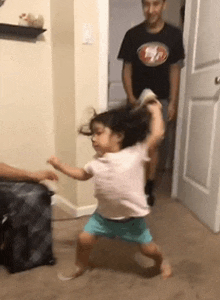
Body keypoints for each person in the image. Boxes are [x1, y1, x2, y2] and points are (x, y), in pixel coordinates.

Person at [47, 93, 173, 280]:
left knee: (149, 249)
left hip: (131, 221)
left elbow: (157, 135)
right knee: (83, 239)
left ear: (119, 136)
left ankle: (161, 261)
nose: (93, 139)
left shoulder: (135, 154)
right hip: (103, 217)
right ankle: (81, 264)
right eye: (93, 135)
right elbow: (81, 175)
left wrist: (155, 111)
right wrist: (60, 166)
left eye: (99, 133)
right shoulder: (96, 163)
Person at [117, 0, 185, 206]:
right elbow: (127, 68)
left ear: (163, 5)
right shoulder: (133, 35)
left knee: (153, 146)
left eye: (156, 4)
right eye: (146, 5)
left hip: (162, 99)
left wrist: (173, 102)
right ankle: (133, 185)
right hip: (137, 100)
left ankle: (148, 187)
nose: (150, 10)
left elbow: (175, 70)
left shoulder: (174, 35)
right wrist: (130, 98)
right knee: (135, 144)